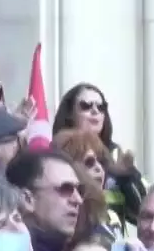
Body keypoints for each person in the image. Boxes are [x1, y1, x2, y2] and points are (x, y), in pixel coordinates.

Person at [52, 83, 146, 226]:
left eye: (101, 107)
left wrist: (127, 177)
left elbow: (142, 213)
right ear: (70, 113)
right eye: (86, 106)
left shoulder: (116, 155)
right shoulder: (57, 153)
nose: (95, 111)